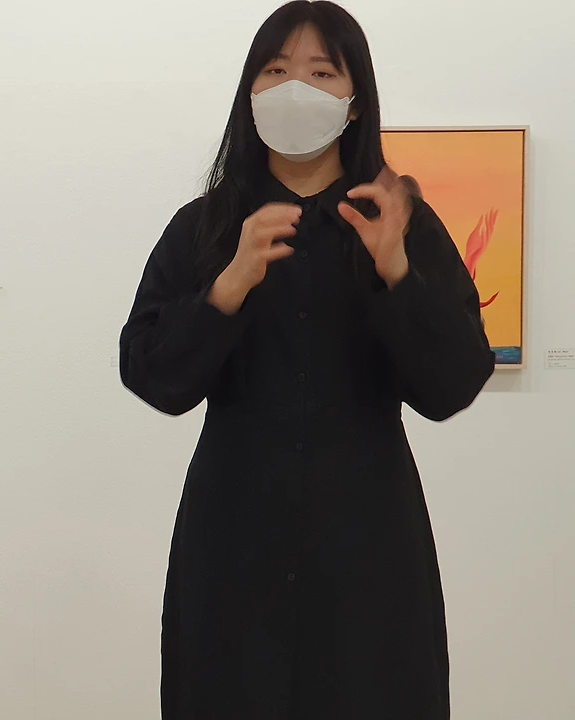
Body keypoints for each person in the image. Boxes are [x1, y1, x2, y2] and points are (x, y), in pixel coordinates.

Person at [118, 3, 494, 719]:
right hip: (233, 539)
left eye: (322, 73)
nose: (295, 88)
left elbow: (452, 385)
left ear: (355, 104)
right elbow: (153, 377)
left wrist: (397, 275)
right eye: (275, 70)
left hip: (368, 543)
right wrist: (226, 287)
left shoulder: (399, 224)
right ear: (249, 95)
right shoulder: (205, 227)